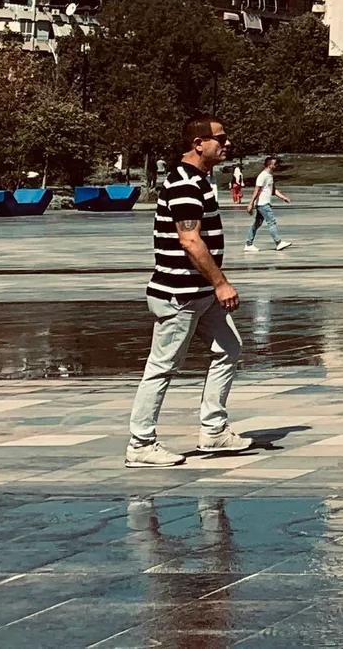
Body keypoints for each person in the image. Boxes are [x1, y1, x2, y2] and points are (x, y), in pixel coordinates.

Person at [125, 115, 250, 466]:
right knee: (162, 366)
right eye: (220, 139)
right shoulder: (184, 184)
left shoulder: (198, 181)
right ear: (198, 144)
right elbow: (189, 239)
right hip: (179, 293)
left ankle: (214, 431)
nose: (226, 144)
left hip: (200, 293)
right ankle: (141, 443)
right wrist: (221, 282)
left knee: (229, 348)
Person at [242, 157, 290, 252]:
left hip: (264, 203)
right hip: (263, 204)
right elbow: (257, 190)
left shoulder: (269, 176)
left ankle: (248, 244)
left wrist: (283, 197)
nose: (276, 166)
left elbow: (273, 190)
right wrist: (251, 203)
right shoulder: (262, 176)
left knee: (257, 224)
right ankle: (278, 242)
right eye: (275, 164)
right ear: (270, 165)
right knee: (271, 222)